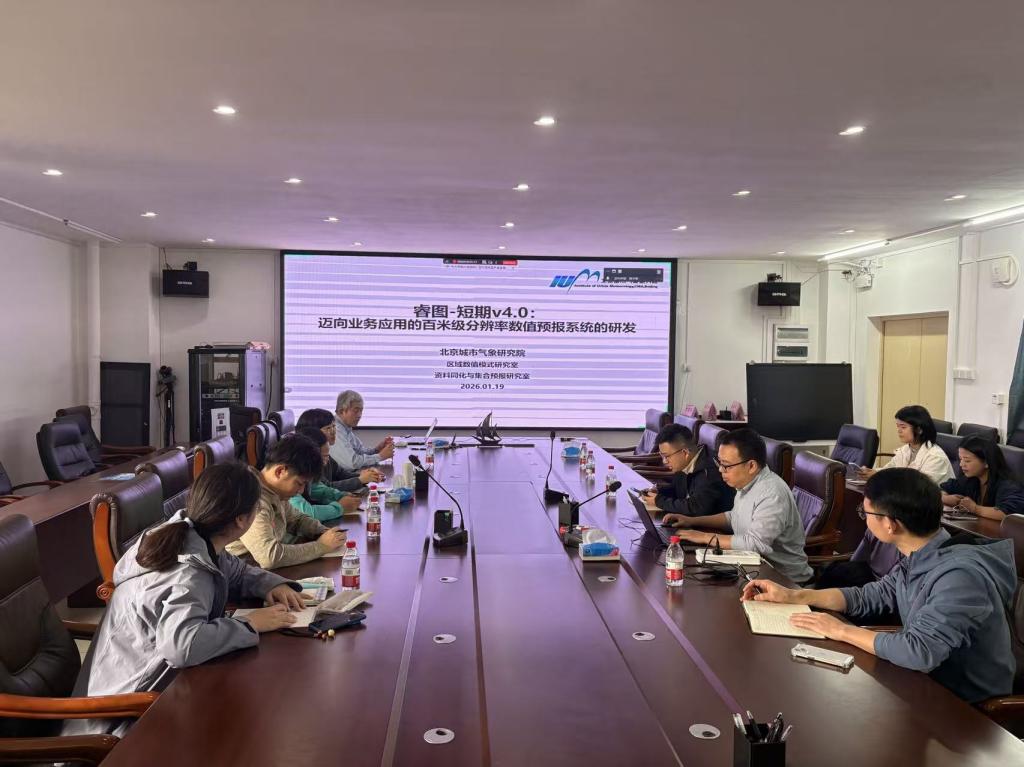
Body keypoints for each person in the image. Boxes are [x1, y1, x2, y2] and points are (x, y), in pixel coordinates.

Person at [64, 463, 305, 737]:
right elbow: (182, 646)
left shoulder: (192, 534)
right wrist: (250, 624)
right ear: (241, 520)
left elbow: (235, 570)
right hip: (122, 717)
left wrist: (273, 584)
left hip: (157, 687)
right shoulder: (188, 570)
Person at [742, 468, 1016, 704]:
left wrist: (841, 630)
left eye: (866, 511)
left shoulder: (960, 576)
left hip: (967, 710)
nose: (864, 518)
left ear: (890, 524)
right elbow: (871, 596)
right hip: (923, 683)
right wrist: (794, 595)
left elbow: (920, 651)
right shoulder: (921, 553)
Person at [666, 428, 812, 584]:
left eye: (726, 465)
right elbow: (733, 517)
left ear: (751, 466)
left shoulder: (772, 494)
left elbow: (755, 544)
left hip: (784, 582)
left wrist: (704, 537)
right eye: (719, 463)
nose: (720, 470)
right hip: (751, 570)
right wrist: (691, 521)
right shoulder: (747, 482)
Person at [226, 433, 347, 568]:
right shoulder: (253, 498)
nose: (301, 491)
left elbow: (297, 519)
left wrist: (322, 531)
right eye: (299, 483)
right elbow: (269, 557)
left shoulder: (275, 492)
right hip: (242, 572)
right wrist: (321, 546)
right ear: (280, 471)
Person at [643, 423, 734, 520]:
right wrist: (659, 492)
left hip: (710, 526)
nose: (664, 461)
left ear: (685, 453)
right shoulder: (685, 464)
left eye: (667, 456)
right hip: (690, 520)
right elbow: (678, 491)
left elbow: (697, 508)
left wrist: (659, 501)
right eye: (662, 456)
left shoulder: (710, 471)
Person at [857, 405, 954, 484]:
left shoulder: (936, 457)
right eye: (898, 426)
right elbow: (889, 470)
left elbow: (919, 486)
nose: (899, 431)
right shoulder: (905, 450)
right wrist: (873, 472)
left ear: (919, 430)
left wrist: (879, 476)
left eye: (903, 427)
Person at [297, 407, 384, 491]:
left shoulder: (325, 454)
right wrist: (360, 480)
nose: (333, 431)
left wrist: (366, 476)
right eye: (328, 428)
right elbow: (327, 487)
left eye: (334, 426)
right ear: (312, 432)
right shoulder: (310, 460)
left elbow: (341, 474)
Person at [940, 435, 1024, 521]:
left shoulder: (1008, 485)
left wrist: (975, 509)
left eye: (967, 460)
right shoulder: (971, 478)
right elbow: (943, 488)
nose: (961, 464)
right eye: (960, 459)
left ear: (987, 462)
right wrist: (947, 498)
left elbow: (1009, 515)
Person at [290, 427, 362, 521]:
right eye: (323, 457)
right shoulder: (290, 479)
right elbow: (308, 513)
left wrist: (341, 495)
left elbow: (320, 490)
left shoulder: (306, 474)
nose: (326, 461)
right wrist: (340, 508)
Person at [330, 390, 395, 471]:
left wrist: (377, 450)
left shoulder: (345, 428)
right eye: (356, 411)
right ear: (341, 411)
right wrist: (380, 456)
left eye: (361, 411)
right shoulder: (336, 430)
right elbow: (352, 463)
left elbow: (360, 451)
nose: (359, 415)